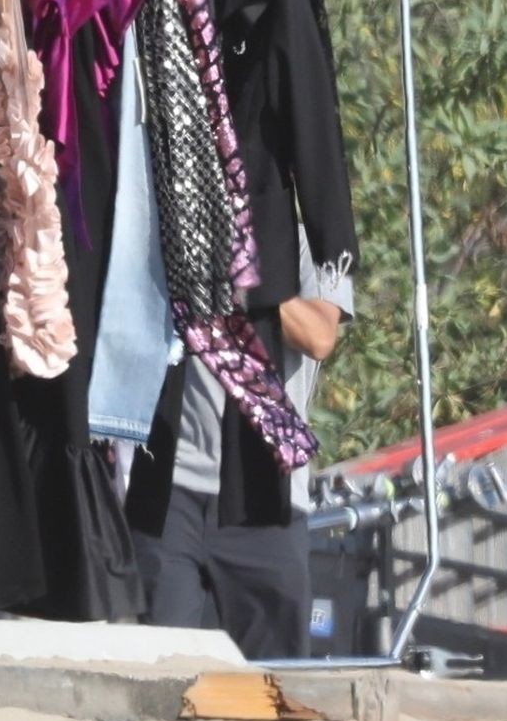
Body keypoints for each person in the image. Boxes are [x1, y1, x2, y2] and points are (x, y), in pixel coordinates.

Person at [131, 227, 354, 659]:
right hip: (173, 486)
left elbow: (320, 336)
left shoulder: (310, 233)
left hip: (267, 490)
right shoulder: (174, 215)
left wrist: (243, 280)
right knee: (159, 671)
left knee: (273, 679)